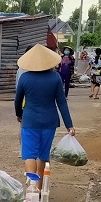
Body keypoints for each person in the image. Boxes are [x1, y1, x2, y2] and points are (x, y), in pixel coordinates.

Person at [14, 44, 75, 179]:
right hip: (49, 121)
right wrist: (69, 125)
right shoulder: (55, 77)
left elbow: (17, 100)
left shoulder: (25, 78)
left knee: (29, 155)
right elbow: (62, 102)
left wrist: (19, 114)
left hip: (29, 120)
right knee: (43, 155)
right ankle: (41, 190)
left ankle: (32, 188)